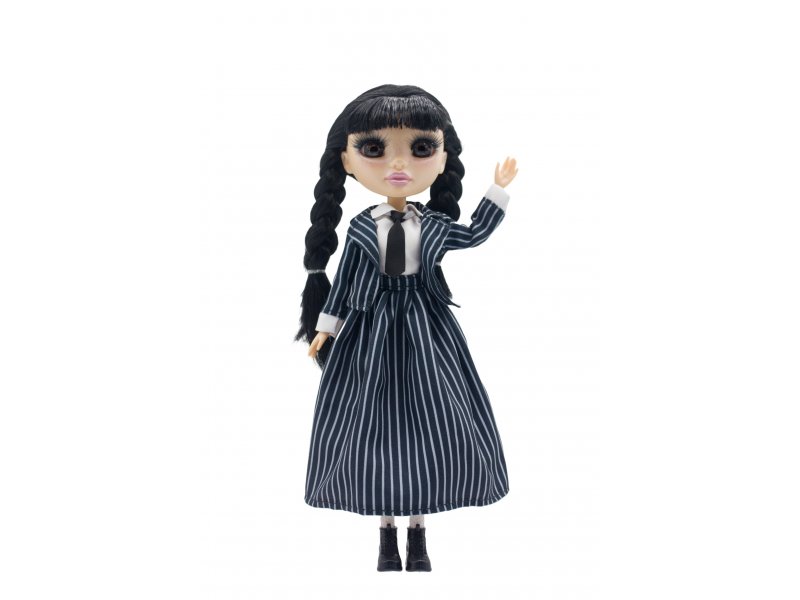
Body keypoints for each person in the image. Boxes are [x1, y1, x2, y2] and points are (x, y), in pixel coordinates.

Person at [295, 84, 518, 572]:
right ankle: (385, 534)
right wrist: (325, 328)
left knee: (431, 420)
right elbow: (344, 283)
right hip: (369, 332)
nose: (398, 164)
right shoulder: (360, 228)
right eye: (374, 149)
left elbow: (474, 233)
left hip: (426, 329)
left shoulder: (432, 224)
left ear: (443, 158)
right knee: (372, 425)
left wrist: (497, 190)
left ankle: (418, 534)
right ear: (347, 160)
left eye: (420, 148)